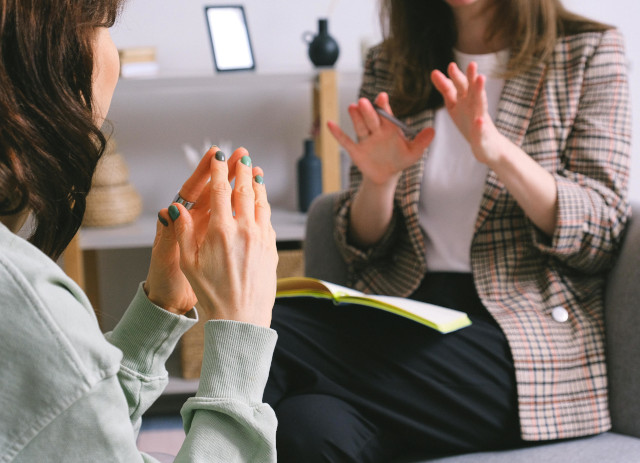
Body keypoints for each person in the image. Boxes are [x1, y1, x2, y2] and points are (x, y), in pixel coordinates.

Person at [263, 0, 632, 461]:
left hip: (518, 345)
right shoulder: (393, 61)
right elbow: (364, 250)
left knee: (265, 323)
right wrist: (380, 181)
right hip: (401, 322)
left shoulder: (588, 51)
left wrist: (498, 151)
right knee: (306, 429)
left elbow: (603, 233)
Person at [0, 1, 279, 461]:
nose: (116, 59)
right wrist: (242, 327)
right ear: (38, 53)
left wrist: (159, 310)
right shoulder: (30, 304)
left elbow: (72, 433)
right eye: (103, 27)